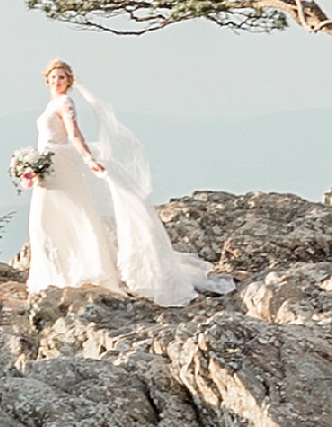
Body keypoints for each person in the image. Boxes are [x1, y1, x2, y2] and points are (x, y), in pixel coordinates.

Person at [27, 60, 234, 307]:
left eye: (61, 77)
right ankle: (56, 272)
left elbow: (74, 134)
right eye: (52, 77)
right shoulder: (52, 104)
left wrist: (87, 157)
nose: (56, 81)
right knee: (48, 220)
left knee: (72, 217)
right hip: (49, 167)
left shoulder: (65, 102)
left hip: (62, 165)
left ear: (69, 81)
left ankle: (88, 270)